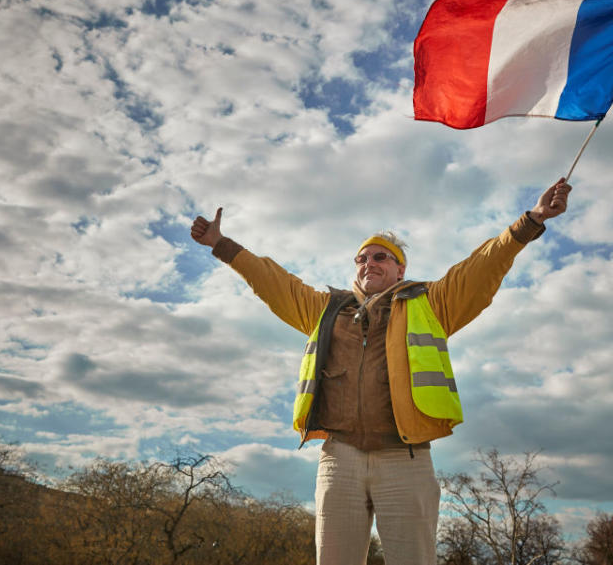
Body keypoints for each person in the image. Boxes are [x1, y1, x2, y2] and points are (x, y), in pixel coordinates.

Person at [190, 178, 572, 565]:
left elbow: (480, 268)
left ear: (399, 268)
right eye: (361, 259)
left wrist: (532, 220)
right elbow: (273, 281)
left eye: (379, 257)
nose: (368, 263)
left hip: (404, 458)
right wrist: (221, 245)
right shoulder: (324, 309)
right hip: (339, 459)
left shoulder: (431, 303)